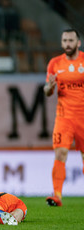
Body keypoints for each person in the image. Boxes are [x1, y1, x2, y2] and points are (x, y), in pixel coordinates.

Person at [43, 29, 84, 207]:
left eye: (71, 40)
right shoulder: (55, 63)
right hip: (64, 116)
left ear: (78, 43)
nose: (67, 44)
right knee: (60, 153)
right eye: (65, 40)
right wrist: (50, 87)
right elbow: (47, 91)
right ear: (61, 43)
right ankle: (57, 195)